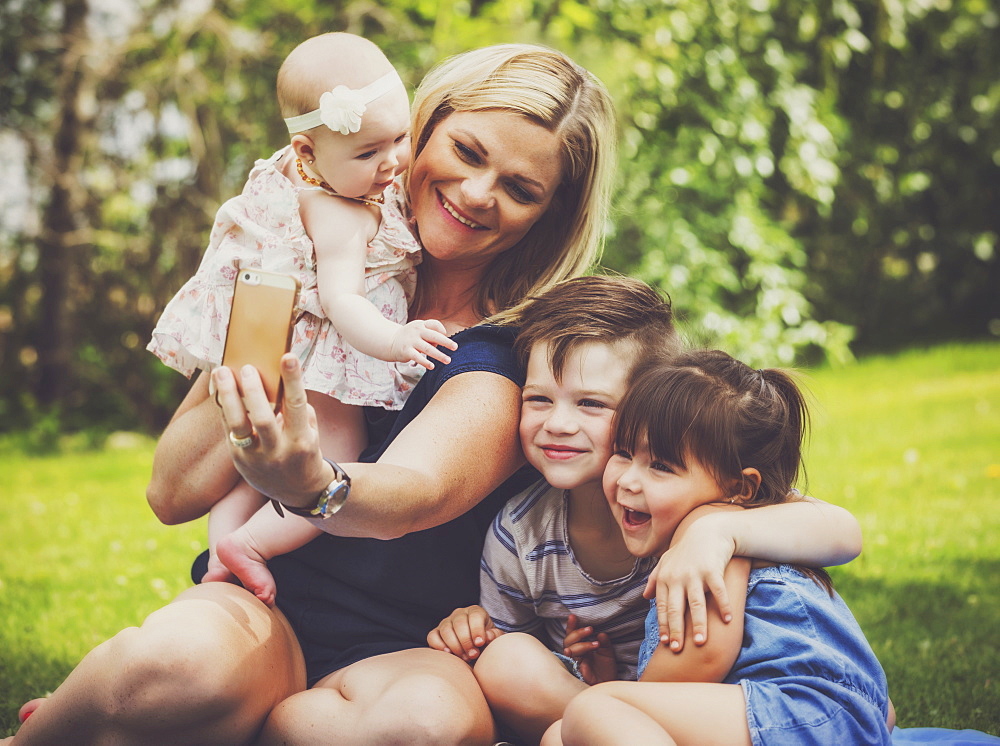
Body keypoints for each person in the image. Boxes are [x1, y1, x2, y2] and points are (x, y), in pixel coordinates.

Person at [10, 45, 861, 745]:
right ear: (419, 132)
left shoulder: (516, 357)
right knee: (175, 670)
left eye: (521, 189)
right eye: (466, 152)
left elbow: (413, 496)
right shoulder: (307, 272)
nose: (478, 193)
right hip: (262, 606)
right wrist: (285, 314)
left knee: (422, 726)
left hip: (417, 644)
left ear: (547, 216)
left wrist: (313, 481)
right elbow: (171, 493)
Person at [429, 279, 865, 745]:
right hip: (705, 707)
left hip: (773, 708)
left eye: (592, 403)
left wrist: (718, 533)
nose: (558, 423)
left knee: (580, 723)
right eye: (538, 399)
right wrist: (482, 634)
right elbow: (528, 660)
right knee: (553, 709)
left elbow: (841, 531)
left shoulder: (712, 518)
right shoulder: (522, 534)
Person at [146, 32, 456, 606]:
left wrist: (362, 160)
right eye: (368, 154)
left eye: (400, 139)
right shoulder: (340, 216)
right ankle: (255, 548)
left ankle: (222, 554)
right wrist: (397, 339)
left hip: (276, 344)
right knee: (338, 450)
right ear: (308, 151)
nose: (392, 163)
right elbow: (343, 302)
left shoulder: (291, 173)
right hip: (326, 364)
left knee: (251, 467)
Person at [546, 350, 892, 746]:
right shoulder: (744, 525)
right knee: (562, 735)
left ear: (739, 489)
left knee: (592, 711)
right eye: (623, 454)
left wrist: (624, 695)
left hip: (804, 713)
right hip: (815, 718)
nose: (628, 480)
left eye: (661, 466)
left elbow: (699, 658)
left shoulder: (709, 536)